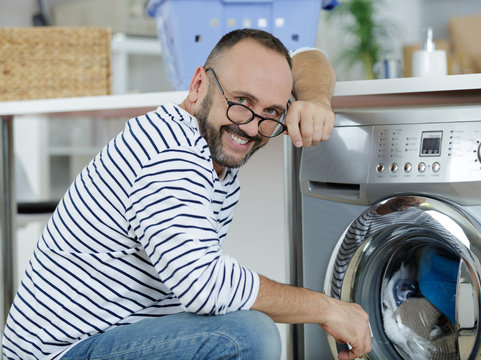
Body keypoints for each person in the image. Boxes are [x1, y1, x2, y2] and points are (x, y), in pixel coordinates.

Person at [2, 29, 371, 360]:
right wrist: (330, 309)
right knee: (245, 335)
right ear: (198, 85)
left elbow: (308, 55)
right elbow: (204, 284)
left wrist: (317, 100)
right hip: (63, 353)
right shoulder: (171, 154)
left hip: (104, 340)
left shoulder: (204, 146)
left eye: (270, 112)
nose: (252, 126)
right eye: (241, 100)